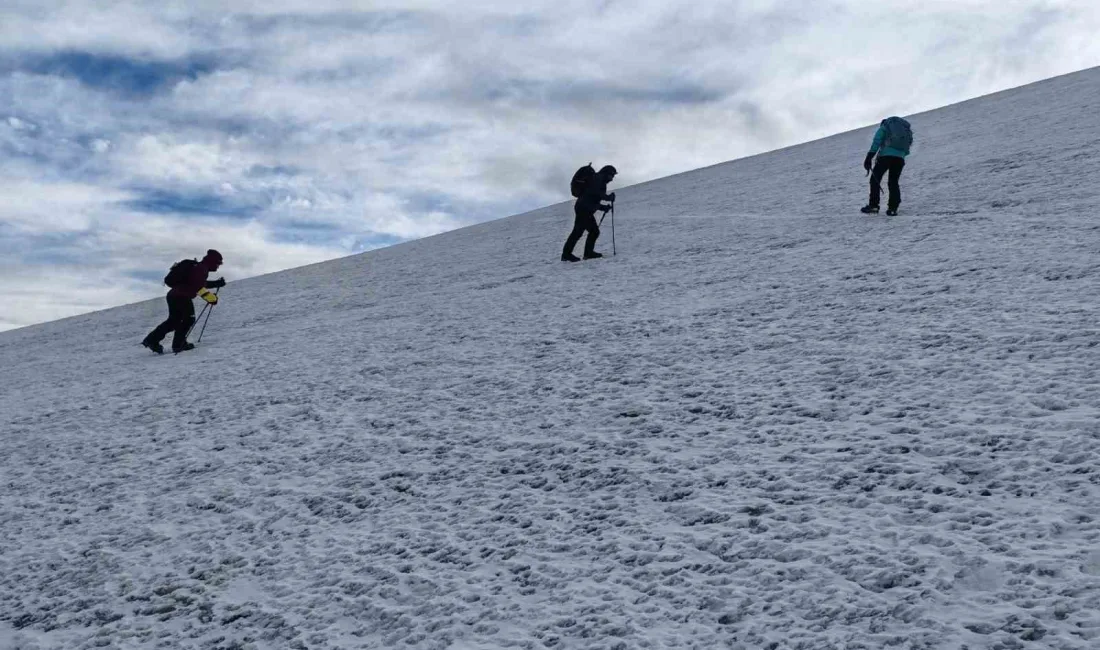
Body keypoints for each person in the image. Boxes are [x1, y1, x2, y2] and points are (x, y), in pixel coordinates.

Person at [142, 249, 225, 354]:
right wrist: (211, 298)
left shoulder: (198, 267)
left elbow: (197, 283)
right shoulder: (201, 269)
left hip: (173, 295)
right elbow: (198, 286)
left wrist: (216, 283)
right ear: (212, 262)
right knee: (188, 320)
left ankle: (151, 340)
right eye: (218, 263)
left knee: (173, 321)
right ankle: (179, 344)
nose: (218, 266)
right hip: (182, 296)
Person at [562, 165, 616, 262]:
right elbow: (596, 193)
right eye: (612, 176)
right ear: (607, 173)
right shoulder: (598, 178)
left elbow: (593, 199)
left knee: (585, 232)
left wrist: (603, 207)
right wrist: (608, 198)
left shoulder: (598, 179)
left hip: (584, 208)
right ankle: (575, 254)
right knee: (585, 232)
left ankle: (578, 254)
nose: (612, 179)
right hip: (584, 209)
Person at [861, 116, 912, 216]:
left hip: (886, 156)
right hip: (900, 158)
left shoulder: (885, 127)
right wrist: (901, 155)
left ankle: (874, 206)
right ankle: (893, 208)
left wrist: (869, 157)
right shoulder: (905, 129)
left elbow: (877, 141)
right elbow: (909, 143)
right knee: (893, 182)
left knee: (875, 179)